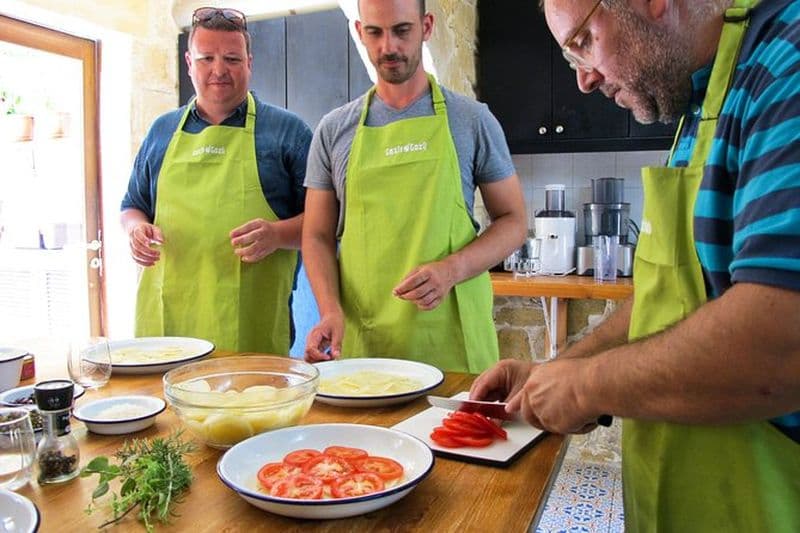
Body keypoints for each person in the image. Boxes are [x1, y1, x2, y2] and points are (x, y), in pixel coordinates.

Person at [472, 0, 800, 530]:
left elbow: (782, 341)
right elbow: (663, 303)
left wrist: (585, 387)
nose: (582, 79)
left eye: (582, 42)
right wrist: (558, 371)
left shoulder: (787, 62)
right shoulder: (696, 97)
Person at [302, 0, 527, 373]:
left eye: (402, 30)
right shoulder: (333, 130)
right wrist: (329, 310)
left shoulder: (472, 120)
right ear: (360, 32)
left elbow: (514, 220)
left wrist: (451, 270)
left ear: (426, 27)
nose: (388, 47)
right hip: (367, 351)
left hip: (454, 351)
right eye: (375, 32)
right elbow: (316, 236)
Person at [121, 7, 313, 354]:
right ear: (188, 62)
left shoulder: (288, 132)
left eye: (232, 59)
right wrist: (135, 229)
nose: (219, 70)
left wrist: (277, 235)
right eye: (207, 58)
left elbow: (326, 224)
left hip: (252, 332)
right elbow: (133, 205)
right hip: (167, 333)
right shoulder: (162, 131)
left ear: (249, 62)